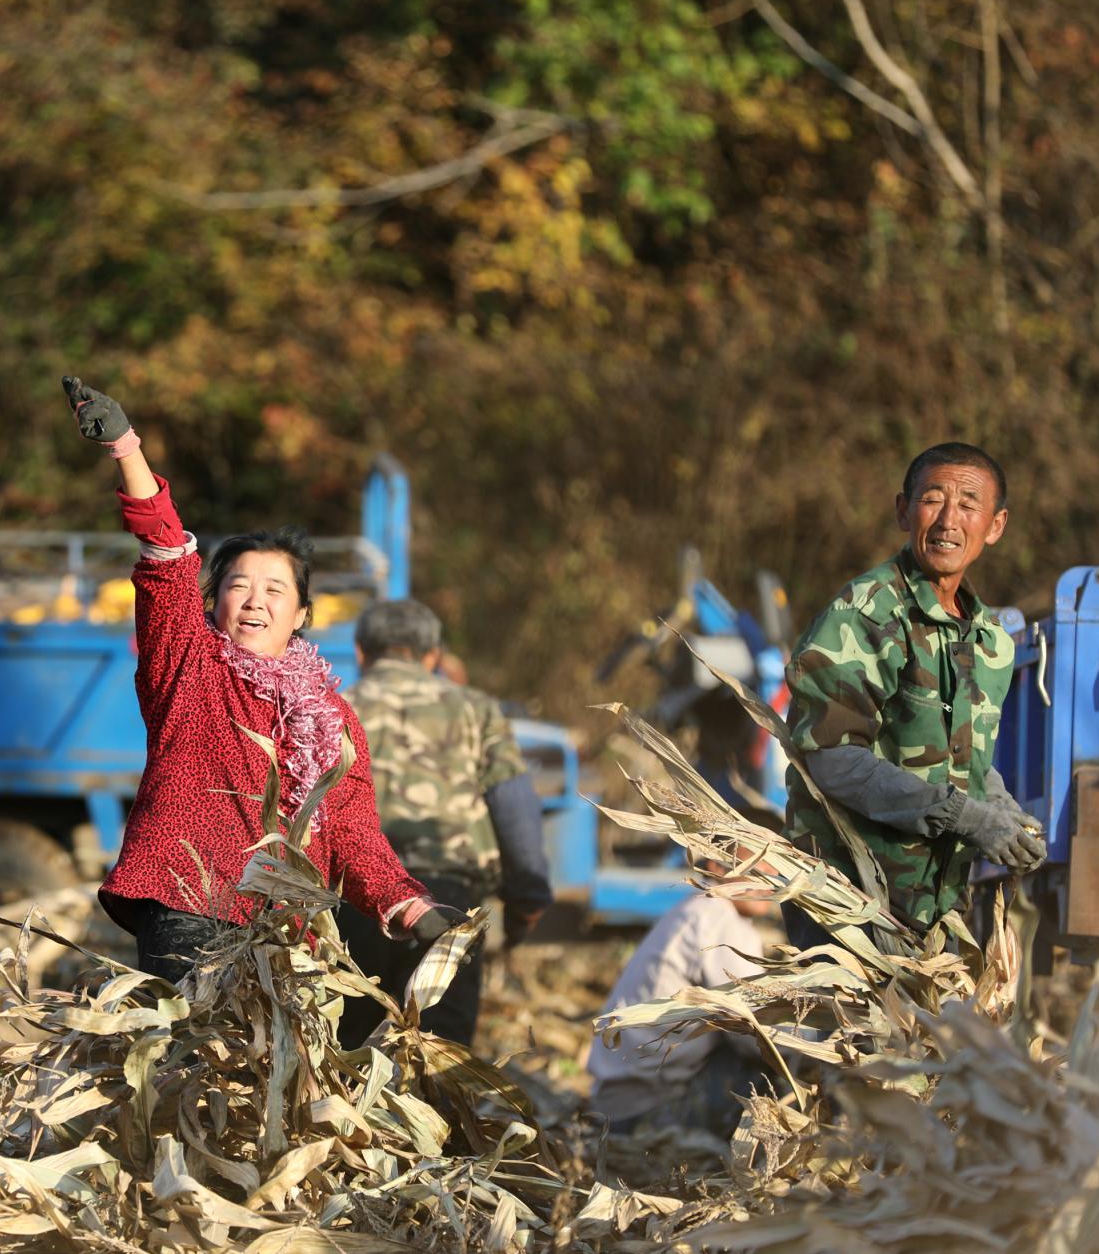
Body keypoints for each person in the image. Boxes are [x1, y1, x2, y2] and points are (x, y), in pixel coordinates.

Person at [64, 376, 459, 981]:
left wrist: (407, 903)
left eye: (274, 589)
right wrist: (126, 448)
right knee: (198, 1068)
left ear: (301, 615)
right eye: (238, 586)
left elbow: (352, 835)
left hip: (287, 927)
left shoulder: (332, 720)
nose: (254, 600)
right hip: (187, 905)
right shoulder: (188, 664)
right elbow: (165, 555)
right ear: (213, 601)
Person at [782, 442, 1043, 948]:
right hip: (847, 900)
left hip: (938, 907)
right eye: (933, 499)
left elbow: (961, 754)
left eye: (969, 505)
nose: (949, 520)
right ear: (904, 511)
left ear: (995, 526)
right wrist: (966, 817)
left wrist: (1001, 812)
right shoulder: (866, 614)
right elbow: (832, 758)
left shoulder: (991, 642)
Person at [338, 599, 553, 1046]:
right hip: (445, 903)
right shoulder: (475, 709)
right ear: (433, 655)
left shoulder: (334, 707)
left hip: (352, 901)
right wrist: (527, 899)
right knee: (440, 1051)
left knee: (349, 1049)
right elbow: (512, 803)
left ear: (360, 652)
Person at [588, 886, 772, 1137]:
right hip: (648, 1114)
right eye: (756, 862)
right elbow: (761, 1030)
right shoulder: (719, 919)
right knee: (774, 1056)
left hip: (617, 1107)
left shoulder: (695, 909)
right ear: (716, 864)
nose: (770, 875)